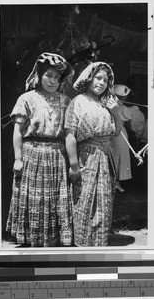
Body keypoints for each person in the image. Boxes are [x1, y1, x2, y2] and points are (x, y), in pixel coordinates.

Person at [6, 52, 74, 247]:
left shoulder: (65, 101)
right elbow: (18, 131)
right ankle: (31, 240)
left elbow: (69, 132)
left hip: (57, 155)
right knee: (34, 197)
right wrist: (18, 159)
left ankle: (54, 240)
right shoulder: (26, 99)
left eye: (57, 77)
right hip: (32, 153)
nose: (52, 81)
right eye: (49, 75)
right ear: (39, 75)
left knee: (54, 198)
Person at [64, 62, 122, 247]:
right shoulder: (78, 102)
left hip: (105, 156)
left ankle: (99, 243)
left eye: (105, 80)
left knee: (103, 200)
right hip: (87, 156)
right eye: (98, 78)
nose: (101, 83)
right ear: (88, 78)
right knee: (85, 198)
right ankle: (82, 244)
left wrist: (116, 112)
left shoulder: (107, 104)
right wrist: (74, 165)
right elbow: (70, 135)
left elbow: (116, 132)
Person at [111, 84, 145, 192]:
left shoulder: (126, 108)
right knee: (115, 157)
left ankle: (116, 182)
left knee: (119, 157)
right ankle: (113, 182)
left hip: (120, 134)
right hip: (116, 134)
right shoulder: (115, 105)